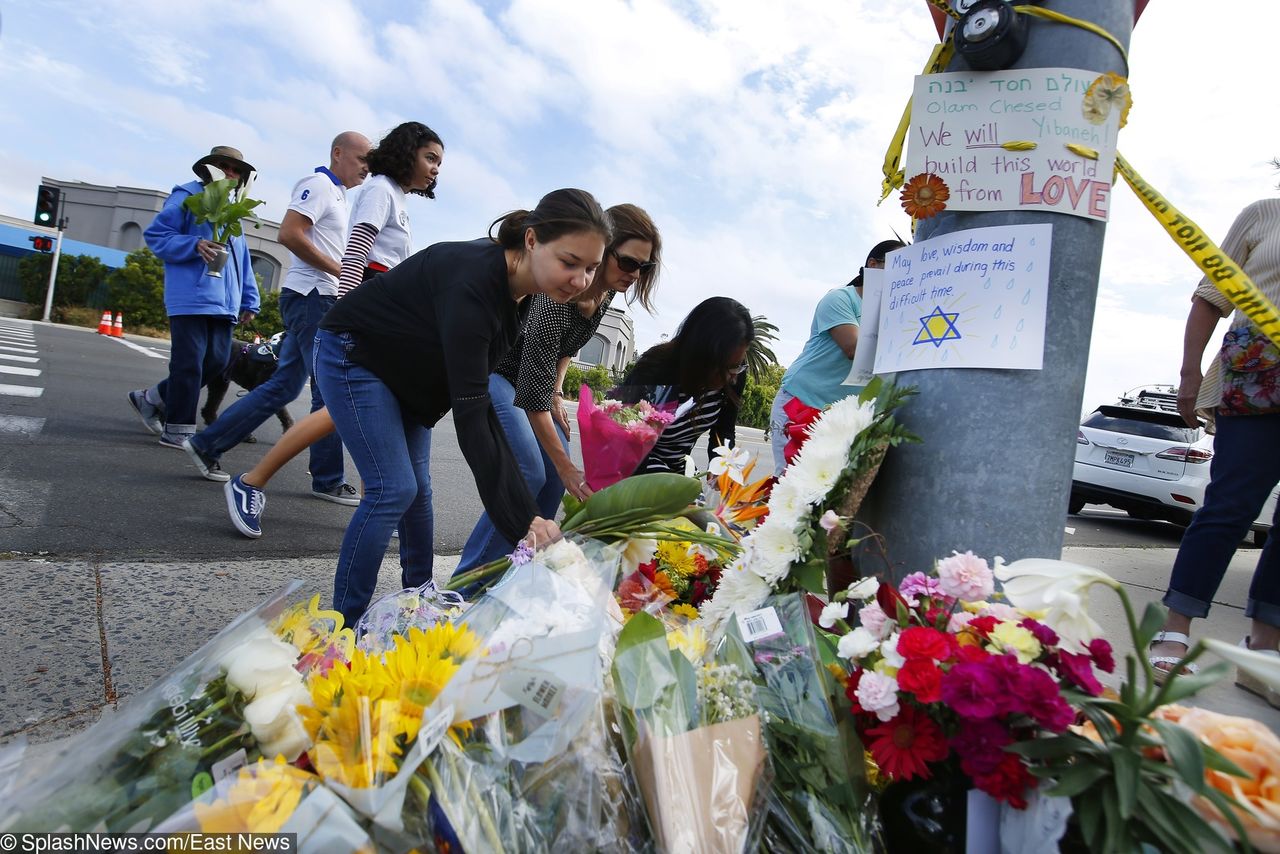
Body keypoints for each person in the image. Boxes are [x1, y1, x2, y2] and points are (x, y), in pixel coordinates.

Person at [311, 188, 612, 624]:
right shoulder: (474, 281)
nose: (582, 281)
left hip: (407, 373)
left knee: (418, 491)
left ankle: (419, 601)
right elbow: (472, 416)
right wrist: (521, 521)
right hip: (354, 354)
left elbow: (483, 413)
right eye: (570, 263)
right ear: (531, 240)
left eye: (590, 268)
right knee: (393, 488)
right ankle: (343, 627)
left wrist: (523, 516)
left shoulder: (525, 295)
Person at [222, 122, 444, 537]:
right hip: (366, 318)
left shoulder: (392, 195)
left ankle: (374, 501)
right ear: (407, 151)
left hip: (380, 319)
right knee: (341, 411)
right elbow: (358, 249)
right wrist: (345, 315)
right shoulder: (380, 189)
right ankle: (250, 481)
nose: (435, 170)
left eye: (438, 163)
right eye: (430, 158)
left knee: (351, 413)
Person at [455, 204, 662, 573]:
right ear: (603, 248)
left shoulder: (605, 291)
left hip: (533, 385)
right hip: (498, 374)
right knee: (535, 471)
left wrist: (556, 392)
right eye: (628, 263)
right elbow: (531, 391)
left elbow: (565, 349)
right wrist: (566, 464)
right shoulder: (557, 297)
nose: (634, 275)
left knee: (554, 481)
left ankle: (513, 574)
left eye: (643, 268)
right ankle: (470, 580)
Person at [182, 132, 372, 492]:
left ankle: (207, 443)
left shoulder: (339, 196)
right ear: (338, 153)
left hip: (315, 298)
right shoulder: (318, 184)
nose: (367, 168)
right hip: (312, 297)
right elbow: (289, 233)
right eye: (362, 159)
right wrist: (341, 270)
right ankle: (328, 480)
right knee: (327, 392)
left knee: (285, 385)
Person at [1148, 198, 1280, 701]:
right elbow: (1210, 296)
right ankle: (1175, 629)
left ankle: (1263, 650)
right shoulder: (1264, 215)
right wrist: (1189, 374)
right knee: (1229, 507)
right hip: (1254, 383)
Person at [128, 146, 259, 448]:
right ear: (207, 168)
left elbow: (242, 258)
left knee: (216, 363)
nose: (230, 173)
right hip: (191, 296)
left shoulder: (233, 207)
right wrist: (193, 244)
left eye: (236, 170)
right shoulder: (187, 195)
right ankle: (178, 427)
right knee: (189, 364)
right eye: (223, 166)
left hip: (224, 303)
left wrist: (249, 299)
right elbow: (157, 236)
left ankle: (152, 398)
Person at [768, 239, 905, 475]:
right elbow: (853, 347)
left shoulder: (897, 314)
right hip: (800, 402)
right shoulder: (841, 298)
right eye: (900, 265)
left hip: (839, 418)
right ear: (873, 265)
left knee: (825, 495)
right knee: (790, 484)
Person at [616, 297, 754, 475]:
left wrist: (721, 464)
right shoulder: (655, 371)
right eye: (723, 367)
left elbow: (724, 429)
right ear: (701, 355)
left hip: (679, 466)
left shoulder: (735, 373)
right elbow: (624, 440)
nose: (732, 378)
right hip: (637, 465)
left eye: (737, 365)